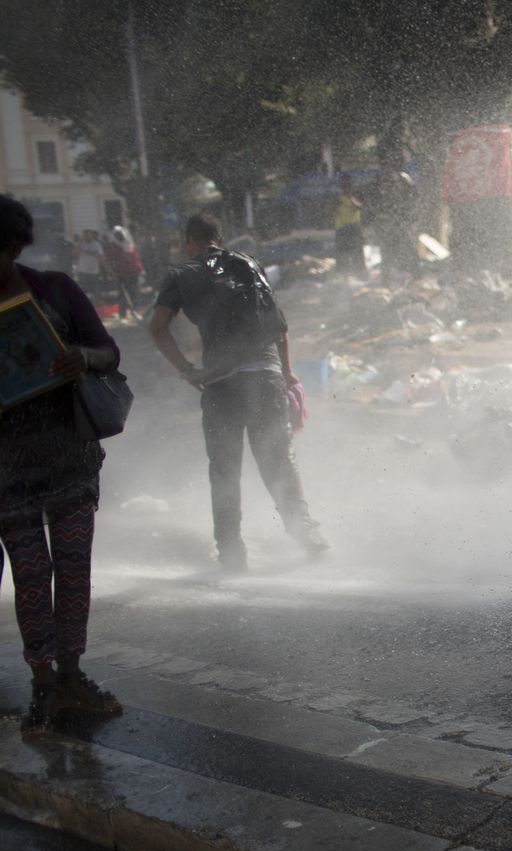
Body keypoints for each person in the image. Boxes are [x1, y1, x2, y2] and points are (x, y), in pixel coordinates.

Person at [0, 195, 124, 736]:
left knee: (72, 571)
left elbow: (108, 352)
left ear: (14, 247)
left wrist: (83, 358)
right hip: (6, 473)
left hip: (70, 458)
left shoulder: (54, 289)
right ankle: (44, 683)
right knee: (30, 575)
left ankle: (72, 676)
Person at [148, 214, 328, 573]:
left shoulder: (181, 273)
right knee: (278, 459)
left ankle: (231, 551)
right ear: (219, 237)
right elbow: (280, 327)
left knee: (224, 470)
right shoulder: (248, 263)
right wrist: (287, 371)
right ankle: (305, 531)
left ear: (188, 241)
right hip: (266, 377)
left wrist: (186, 370)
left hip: (221, 383)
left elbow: (156, 327)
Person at [103, 225, 144, 320]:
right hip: (121, 274)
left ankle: (135, 313)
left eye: (121, 235)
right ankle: (123, 315)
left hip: (133, 273)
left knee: (134, 293)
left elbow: (135, 258)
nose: (120, 237)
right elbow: (109, 260)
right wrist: (112, 272)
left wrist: (140, 269)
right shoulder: (113, 247)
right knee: (123, 296)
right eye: (118, 235)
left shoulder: (129, 245)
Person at [334, 173, 365, 277]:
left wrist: (351, 197)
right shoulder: (337, 197)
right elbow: (330, 210)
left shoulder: (355, 195)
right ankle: (343, 275)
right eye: (344, 185)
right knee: (342, 253)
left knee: (357, 252)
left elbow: (359, 207)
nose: (346, 187)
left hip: (354, 226)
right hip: (341, 227)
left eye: (348, 185)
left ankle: (360, 274)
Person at [73, 229, 104, 297]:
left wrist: (103, 266)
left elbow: (100, 256)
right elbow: (74, 253)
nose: (87, 236)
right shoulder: (80, 244)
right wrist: (80, 242)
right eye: (85, 235)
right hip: (83, 271)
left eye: (88, 235)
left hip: (94, 271)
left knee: (96, 290)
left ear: (91, 236)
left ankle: (97, 304)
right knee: (83, 290)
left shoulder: (97, 244)